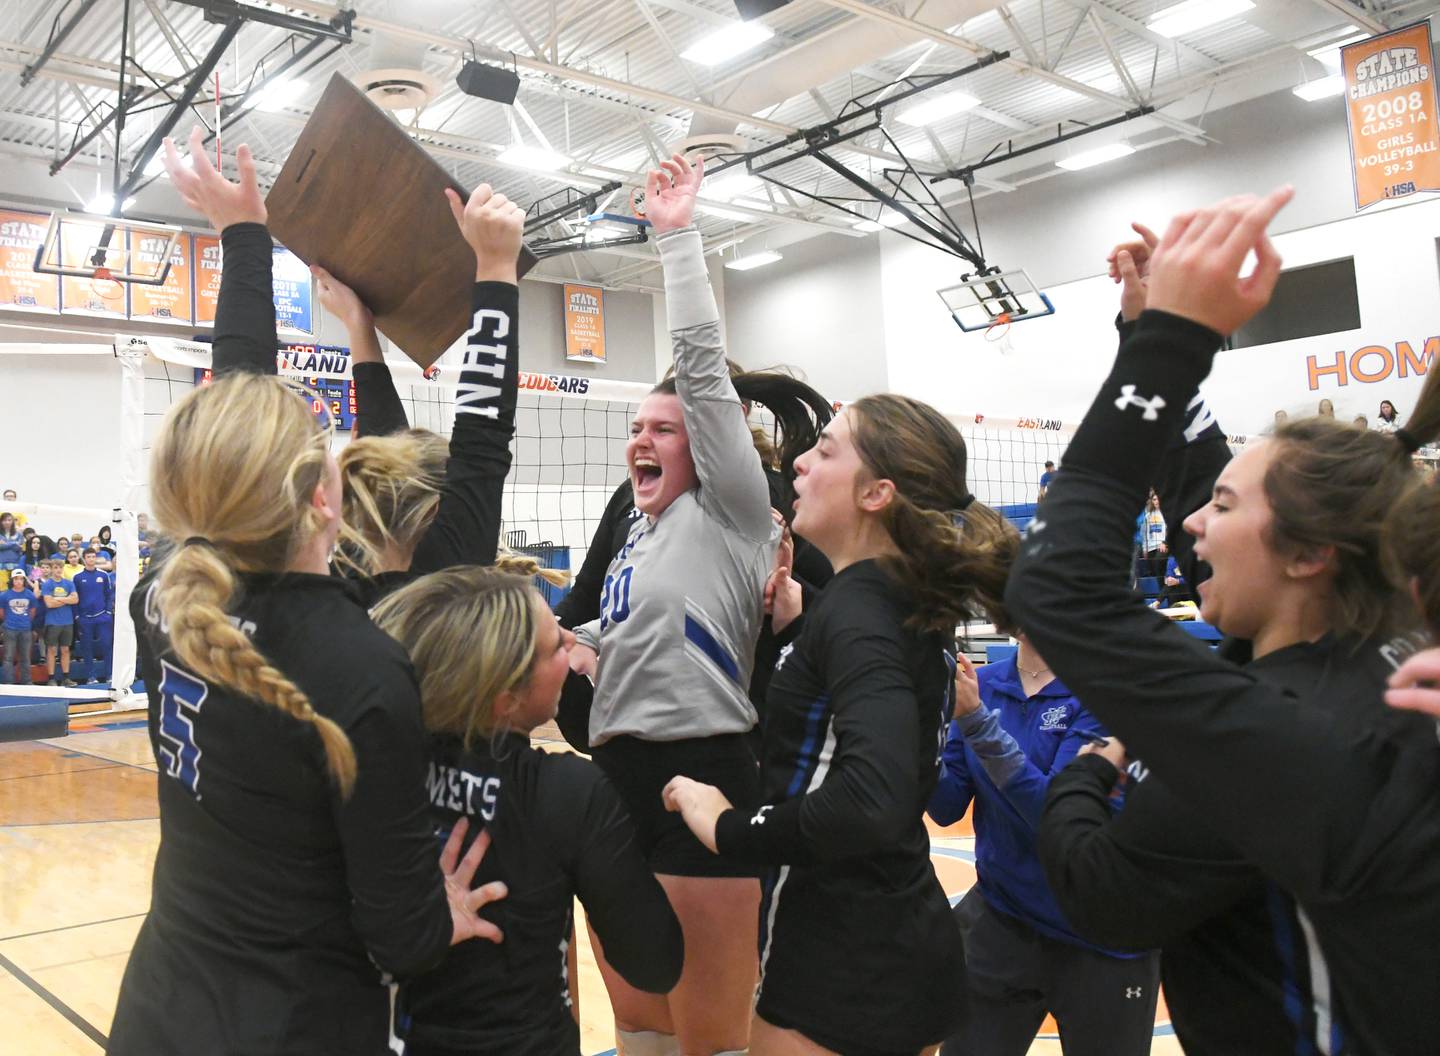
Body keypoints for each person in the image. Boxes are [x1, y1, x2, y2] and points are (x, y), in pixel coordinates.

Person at [106, 130, 509, 1056]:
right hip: (296, 1027)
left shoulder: (168, 598)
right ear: (325, 499)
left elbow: (235, 415)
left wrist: (247, 240)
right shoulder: (361, 667)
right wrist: (493, 273)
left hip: (161, 1008)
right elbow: (404, 938)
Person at [1011, 187, 1440, 1055]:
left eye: (1225, 508)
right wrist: (1145, 328)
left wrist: (1089, 774)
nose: (1193, 523)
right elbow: (1201, 469)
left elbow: (1058, 584)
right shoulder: (1381, 658)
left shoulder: (1294, 734)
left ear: (1308, 555)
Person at [665, 391, 1019, 1056]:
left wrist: (726, 828)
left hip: (840, 958)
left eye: (825, 450)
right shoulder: (891, 599)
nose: (798, 462)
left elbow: (871, 799)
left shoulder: (860, 619)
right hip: (895, 936)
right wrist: (807, 627)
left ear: (876, 494)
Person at [564, 154, 782, 1056]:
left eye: (661, 430)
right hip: (616, 778)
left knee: (709, 1034)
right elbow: (607, 629)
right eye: (633, 429)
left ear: (707, 450)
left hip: (706, 771)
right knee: (640, 1024)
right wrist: (566, 640)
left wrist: (676, 238)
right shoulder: (634, 532)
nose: (639, 442)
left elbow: (701, 374)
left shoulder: (733, 512)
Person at [371, 561, 686, 1056]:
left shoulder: (377, 767)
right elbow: (653, 963)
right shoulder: (568, 792)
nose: (571, 644)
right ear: (506, 699)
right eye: (554, 646)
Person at [553, 362, 833, 756]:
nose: (647, 438)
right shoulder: (631, 498)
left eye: (667, 426)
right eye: (642, 427)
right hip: (636, 721)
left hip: (739, 711)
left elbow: (828, 590)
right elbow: (588, 594)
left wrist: (790, 595)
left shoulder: (759, 498)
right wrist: (548, 637)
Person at [928, 635, 1158, 1056]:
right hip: (1006, 916)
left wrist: (977, 721)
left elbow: (1058, 815)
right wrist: (915, 726)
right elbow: (945, 805)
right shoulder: (984, 683)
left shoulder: (1108, 690)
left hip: (1101, 934)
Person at [71, 549, 113, 684]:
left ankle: (110, 675)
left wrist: (108, 611)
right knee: (86, 648)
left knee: (107, 645)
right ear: (84, 559)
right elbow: (75, 597)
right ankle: (91, 677)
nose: (91, 559)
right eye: (88, 557)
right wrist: (77, 616)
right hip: (85, 618)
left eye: (93, 556)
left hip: (103, 617)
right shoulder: (77, 577)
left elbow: (109, 595)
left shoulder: (104, 575)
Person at [38, 558, 77, 685]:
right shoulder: (47, 584)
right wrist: (66, 599)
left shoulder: (69, 583)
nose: (58, 570)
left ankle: (66, 677)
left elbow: (75, 600)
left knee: (65, 650)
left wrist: (58, 599)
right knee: (52, 650)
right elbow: (49, 603)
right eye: (55, 567)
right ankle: (51, 678)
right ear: (52, 569)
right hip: (52, 622)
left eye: (60, 567)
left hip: (67, 621)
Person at [1, 568, 38, 685]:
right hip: (9, 629)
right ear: (12, 580)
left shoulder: (29, 595)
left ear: (24, 580)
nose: (18, 581)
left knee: (25, 657)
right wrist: (9, 621)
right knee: (8, 657)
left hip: (25, 629)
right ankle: (9, 682)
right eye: (16, 579)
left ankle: (26, 681)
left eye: (21, 579)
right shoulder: (4, 595)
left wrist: (26, 621)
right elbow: (1, 612)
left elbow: (32, 611)